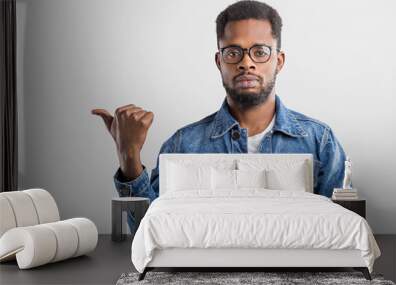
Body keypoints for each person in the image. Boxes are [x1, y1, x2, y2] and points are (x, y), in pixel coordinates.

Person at [92, 0, 347, 233]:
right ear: (219, 61)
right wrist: (129, 157)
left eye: (260, 52)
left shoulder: (320, 141)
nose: (246, 63)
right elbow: (149, 233)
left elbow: (339, 230)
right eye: (233, 52)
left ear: (278, 61)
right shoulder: (183, 145)